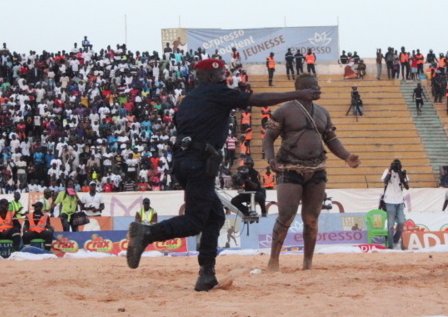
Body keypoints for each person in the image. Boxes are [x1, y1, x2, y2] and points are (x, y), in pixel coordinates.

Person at [126, 58, 320, 292]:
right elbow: (257, 100)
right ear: (209, 77)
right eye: (220, 75)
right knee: (196, 220)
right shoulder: (216, 93)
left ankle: (206, 274)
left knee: (215, 216)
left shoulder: (189, 99)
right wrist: (297, 94)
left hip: (183, 161)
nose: (224, 78)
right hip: (199, 163)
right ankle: (147, 232)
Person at [263, 73, 361, 271]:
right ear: (303, 89)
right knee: (286, 215)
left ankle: (307, 263)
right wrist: (271, 160)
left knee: (311, 218)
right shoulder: (284, 111)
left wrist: (346, 156)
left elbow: (331, 139)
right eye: (314, 87)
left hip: (317, 169)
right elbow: (268, 138)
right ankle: (273, 260)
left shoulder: (323, 112)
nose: (319, 90)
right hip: (290, 168)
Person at [381, 159, 409, 249]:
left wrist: (401, 173)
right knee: (390, 224)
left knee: (401, 222)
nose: (396, 166)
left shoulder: (403, 173)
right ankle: (390, 246)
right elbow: (385, 181)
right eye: (395, 165)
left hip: (400, 201)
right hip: (389, 201)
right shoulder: (387, 171)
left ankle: (395, 239)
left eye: (398, 165)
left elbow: (406, 186)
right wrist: (390, 170)